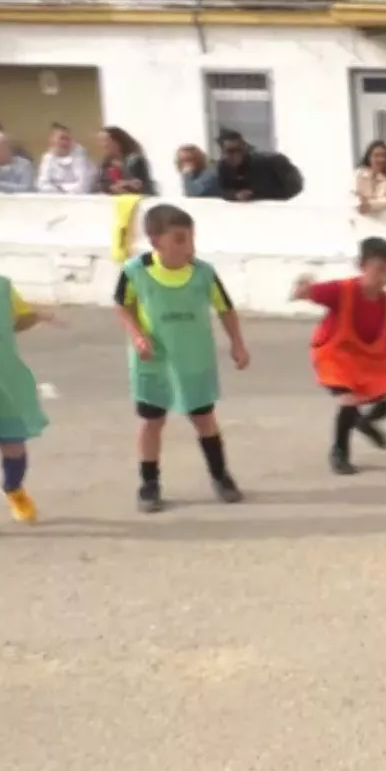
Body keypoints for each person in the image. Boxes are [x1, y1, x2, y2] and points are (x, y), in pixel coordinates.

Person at [112, 205, 250, 512]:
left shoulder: (203, 273)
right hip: (154, 362)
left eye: (190, 239)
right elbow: (122, 304)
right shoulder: (136, 271)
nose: (189, 247)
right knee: (152, 421)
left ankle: (221, 476)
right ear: (155, 241)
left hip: (194, 360)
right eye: (179, 239)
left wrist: (237, 343)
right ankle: (149, 483)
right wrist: (137, 335)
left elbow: (225, 309)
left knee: (204, 419)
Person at [292, 238, 386, 476]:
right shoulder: (341, 290)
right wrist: (302, 288)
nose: (383, 278)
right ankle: (339, 452)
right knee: (349, 400)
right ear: (362, 265)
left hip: (365, 361)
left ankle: (364, 422)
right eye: (378, 270)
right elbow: (307, 292)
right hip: (334, 356)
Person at [0, 217, 57, 543]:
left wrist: (37, 316)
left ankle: (13, 488)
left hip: (2, 383)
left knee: (14, 445)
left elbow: (15, 321)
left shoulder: (2, 288)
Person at [216, 129, 303, 202]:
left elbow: (294, 186)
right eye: (230, 151)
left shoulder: (264, 163)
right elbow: (223, 190)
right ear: (222, 152)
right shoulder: (224, 167)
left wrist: (255, 194)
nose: (236, 155)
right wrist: (235, 195)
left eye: (239, 150)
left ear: (245, 149)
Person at [93, 127, 153, 195]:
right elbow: (102, 184)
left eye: (106, 140)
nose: (103, 145)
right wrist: (111, 187)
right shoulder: (105, 163)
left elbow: (143, 184)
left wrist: (127, 184)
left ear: (117, 141)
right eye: (100, 141)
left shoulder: (134, 160)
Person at [35, 124, 92, 195]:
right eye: (62, 138)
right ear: (52, 140)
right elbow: (42, 185)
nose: (65, 142)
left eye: (67, 139)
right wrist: (60, 189)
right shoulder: (48, 158)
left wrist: (60, 188)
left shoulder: (80, 156)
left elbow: (83, 186)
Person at [354, 140, 386, 215]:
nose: (380, 159)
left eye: (383, 156)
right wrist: (359, 202)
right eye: (376, 155)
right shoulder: (360, 174)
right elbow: (351, 195)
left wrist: (371, 205)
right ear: (369, 157)